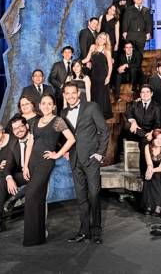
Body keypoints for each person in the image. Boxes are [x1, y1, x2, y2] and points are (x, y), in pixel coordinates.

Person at [22, 94, 76, 246]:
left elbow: (71, 139)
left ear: (53, 106)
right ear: (39, 105)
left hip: (45, 163)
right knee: (38, 198)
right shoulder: (35, 121)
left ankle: (31, 237)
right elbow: (30, 144)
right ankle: (38, 237)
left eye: (49, 103)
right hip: (32, 162)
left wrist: (57, 154)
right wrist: (25, 165)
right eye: (43, 103)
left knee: (30, 195)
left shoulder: (57, 121)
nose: (46, 106)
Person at [61, 83, 109, 244]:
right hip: (74, 159)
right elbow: (66, 136)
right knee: (81, 197)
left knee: (94, 195)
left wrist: (100, 153)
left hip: (91, 158)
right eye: (67, 93)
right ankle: (84, 231)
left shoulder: (91, 107)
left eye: (73, 93)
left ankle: (96, 231)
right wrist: (65, 150)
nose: (70, 96)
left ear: (78, 93)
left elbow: (104, 130)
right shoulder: (63, 113)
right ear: (64, 95)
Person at [124, 85, 161, 173]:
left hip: (149, 133)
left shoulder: (156, 107)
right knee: (127, 125)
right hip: (135, 133)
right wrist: (133, 121)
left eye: (147, 92)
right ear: (140, 94)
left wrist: (152, 132)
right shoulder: (135, 104)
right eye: (143, 92)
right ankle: (145, 172)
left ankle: (144, 172)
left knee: (144, 142)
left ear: (151, 94)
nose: (145, 94)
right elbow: (128, 114)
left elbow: (158, 123)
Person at [82, 32, 113, 119]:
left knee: (101, 95)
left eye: (104, 39)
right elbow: (87, 59)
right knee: (94, 94)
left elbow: (110, 65)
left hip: (102, 75)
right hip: (94, 74)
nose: (101, 40)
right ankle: (94, 115)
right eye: (100, 37)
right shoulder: (93, 47)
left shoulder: (107, 50)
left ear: (106, 41)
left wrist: (108, 77)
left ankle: (101, 116)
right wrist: (77, 63)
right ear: (97, 38)